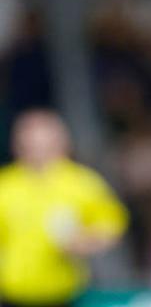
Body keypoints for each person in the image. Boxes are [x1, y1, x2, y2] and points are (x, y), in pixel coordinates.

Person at [0, 110, 128, 307]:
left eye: (45, 144)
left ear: (62, 143)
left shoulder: (82, 182)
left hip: (67, 295)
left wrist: (86, 241)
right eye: (31, 143)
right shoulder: (6, 185)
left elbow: (112, 224)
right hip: (13, 295)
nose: (38, 150)